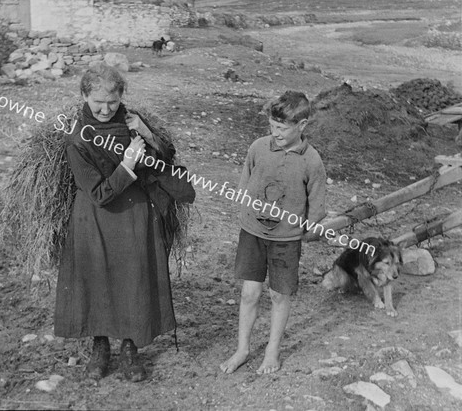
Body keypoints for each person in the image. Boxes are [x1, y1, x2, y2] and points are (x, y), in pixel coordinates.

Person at [54, 63, 194, 382]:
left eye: (112, 102)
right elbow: (100, 194)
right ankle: (100, 347)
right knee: (97, 280)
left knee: (134, 278)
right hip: (94, 215)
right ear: (84, 96)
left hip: (135, 214)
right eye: (98, 102)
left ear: (121, 98)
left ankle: (130, 348)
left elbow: (166, 157)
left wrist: (146, 132)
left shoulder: (133, 123)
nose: (105, 110)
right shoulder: (77, 138)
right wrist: (129, 164)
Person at [220, 91, 326, 375]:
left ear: (302, 125)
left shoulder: (312, 161)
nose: (275, 133)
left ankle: (272, 350)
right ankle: (242, 348)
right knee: (249, 294)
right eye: (272, 126)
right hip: (253, 234)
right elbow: (245, 182)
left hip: (286, 240)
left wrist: (306, 229)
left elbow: (316, 205)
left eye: (282, 128)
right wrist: (245, 212)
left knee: (279, 296)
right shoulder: (258, 147)